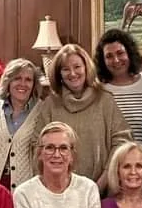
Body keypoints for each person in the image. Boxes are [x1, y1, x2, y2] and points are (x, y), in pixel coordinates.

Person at [31, 43, 131, 185]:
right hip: (57, 190)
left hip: (102, 188)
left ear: (86, 68)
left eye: (77, 67)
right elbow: (37, 146)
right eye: (66, 69)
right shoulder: (50, 105)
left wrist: (103, 182)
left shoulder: (105, 101)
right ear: (59, 74)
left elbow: (122, 141)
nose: (72, 73)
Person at [0, 58, 43, 193]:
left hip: (26, 186)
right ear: (8, 81)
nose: (23, 84)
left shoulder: (42, 110)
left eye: (28, 80)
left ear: (34, 84)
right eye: (17, 78)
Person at [95, 29, 142, 144]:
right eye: (109, 56)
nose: (116, 60)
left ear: (129, 53)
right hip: (112, 160)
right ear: (102, 61)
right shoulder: (99, 91)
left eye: (120, 53)